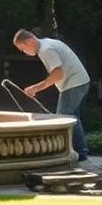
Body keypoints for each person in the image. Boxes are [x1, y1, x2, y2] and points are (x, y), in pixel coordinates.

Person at [12, 28, 91, 161]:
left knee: (62, 119)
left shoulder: (46, 50)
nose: (24, 53)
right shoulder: (47, 43)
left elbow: (58, 74)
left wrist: (36, 88)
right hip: (79, 82)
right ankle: (81, 152)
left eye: (23, 49)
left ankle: (77, 153)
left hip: (74, 83)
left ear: (30, 41)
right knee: (72, 118)